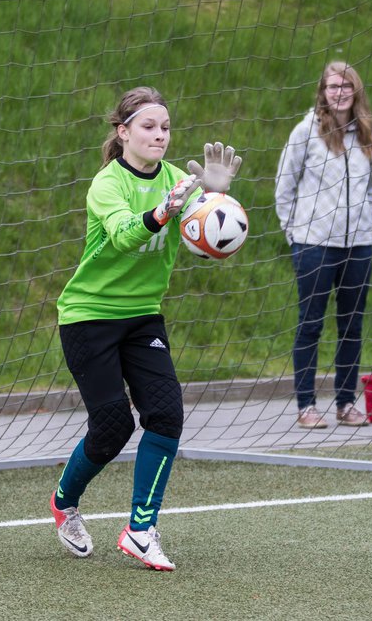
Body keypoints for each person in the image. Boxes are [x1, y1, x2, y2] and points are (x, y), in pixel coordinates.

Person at [48, 87, 241, 572]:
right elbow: (124, 234)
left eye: (166, 127)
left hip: (142, 316)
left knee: (166, 414)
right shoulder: (107, 184)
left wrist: (215, 198)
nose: (160, 135)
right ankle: (65, 502)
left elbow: (209, 235)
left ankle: (140, 529)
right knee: (112, 427)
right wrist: (166, 209)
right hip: (88, 316)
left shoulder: (180, 180)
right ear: (123, 132)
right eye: (149, 127)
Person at [275, 61, 372, 430]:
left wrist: (363, 222)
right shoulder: (305, 132)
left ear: (356, 91)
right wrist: (296, 234)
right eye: (333, 86)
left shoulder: (367, 134)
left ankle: (346, 402)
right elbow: (284, 187)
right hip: (313, 245)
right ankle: (306, 405)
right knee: (311, 324)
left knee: (351, 325)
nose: (339, 92)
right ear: (322, 90)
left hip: (358, 246)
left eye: (346, 86)